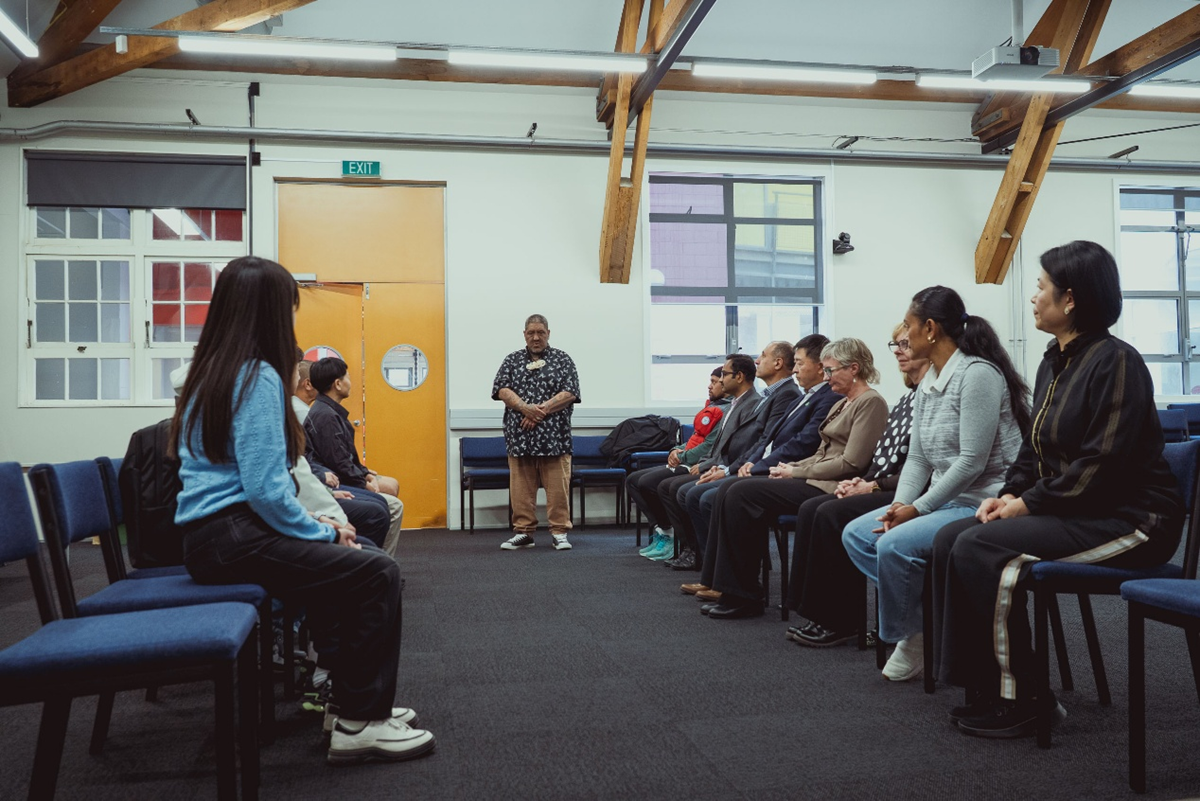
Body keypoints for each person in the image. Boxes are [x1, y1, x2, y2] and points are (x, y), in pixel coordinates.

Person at [173, 255, 433, 765]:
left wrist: (317, 525)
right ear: (268, 313)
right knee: (375, 571)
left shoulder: (211, 371)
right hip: (233, 536)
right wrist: (323, 531)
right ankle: (360, 722)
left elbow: (258, 488)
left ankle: (350, 703)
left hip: (213, 537)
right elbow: (267, 491)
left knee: (351, 565)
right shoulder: (256, 377)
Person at [932, 241, 1183, 739]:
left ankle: (1026, 699)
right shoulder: (1054, 360)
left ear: (1070, 299)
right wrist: (1009, 493)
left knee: (982, 547)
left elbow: (1102, 464)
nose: (1033, 297)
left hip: (1134, 522)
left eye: (1041, 286)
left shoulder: (1118, 361)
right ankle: (985, 686)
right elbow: (1034, 449)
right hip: (1080, 512)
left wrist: (1029, 504)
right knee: (951, 539)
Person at [840, 286, 1028, 682]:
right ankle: (929, 617)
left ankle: (913, 636)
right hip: (946, 499)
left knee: (892, 546)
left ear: (930, 328)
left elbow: (972, 462)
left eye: (908, 327)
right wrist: (900, 505)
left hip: (983, 500)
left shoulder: (977, 374)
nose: (904, 338)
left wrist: (918, 508)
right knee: (857, 535)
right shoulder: (929, 381)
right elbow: (919, 458)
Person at [691, 338, 890, 619]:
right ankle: (731, 589)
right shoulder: (843, 403)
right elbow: (819, 453)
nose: (827, 376)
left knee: (739, 493)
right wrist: (789, 467)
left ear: (854, 369)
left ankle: (744, 595)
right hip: (812, 478)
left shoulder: (870, 402)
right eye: (826, 370)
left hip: (829, 485)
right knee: (733, 490)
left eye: (831, 370)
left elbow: (851, 463)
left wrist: (794, 471)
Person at [786, 325, 930, 646]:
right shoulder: (907, 399)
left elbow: (918, 468)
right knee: (816, 510)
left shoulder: (882, 401)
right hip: (888, 483)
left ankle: (840, 619)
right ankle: (816, 610)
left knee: (829, 514)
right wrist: (862, 482)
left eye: (906, 344)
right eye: (896, 344)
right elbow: (886, 459)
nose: (898, 351)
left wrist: (871, 485)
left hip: (909, 491)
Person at [673, 334, 840, 570]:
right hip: (759, 465)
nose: (757, 361)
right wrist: (737, 466)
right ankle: (713, 571)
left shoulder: (796, 395)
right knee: (692, 491)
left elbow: (799, 443)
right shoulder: (796, 397)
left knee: (715, 495)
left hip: (789, 471)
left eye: (800, 363)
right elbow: (765, 441)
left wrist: (746, 467)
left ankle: (728, 575)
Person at [652, 353, 760, 562]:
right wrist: (696, 459)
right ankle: (696, 551)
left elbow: (738, 448)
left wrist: (708, 465)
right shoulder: (733, 404)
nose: (720, 381)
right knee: (673, 488)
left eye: (724, 375)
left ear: (739, 377)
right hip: (714, 464)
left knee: (680, 490)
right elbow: (714, 443)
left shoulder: (751, 404)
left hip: (727, 467)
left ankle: (702, 554)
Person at [492, 314, 580, 551]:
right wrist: (524, 408)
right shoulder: (512, 360)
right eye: (531, 333)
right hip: (520, 438)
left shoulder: (562, 359)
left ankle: (560, 532)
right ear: (524, 335)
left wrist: (538, 411)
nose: (536, 337)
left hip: (555, 438)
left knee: (558, 489)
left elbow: (570, 392)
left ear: (548, 333)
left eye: (540, 332)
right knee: (520, 490)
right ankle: (523, 532)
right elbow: (501, 390)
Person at [303, 356, 404, 554]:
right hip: (336, 481)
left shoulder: (329, 411)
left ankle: (379, 558)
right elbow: (339, 463)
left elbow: (345, 456)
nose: (350, 382)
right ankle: (379, 560)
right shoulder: (325, 416)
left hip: (341, 477)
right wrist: (364, 483)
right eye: (347, 377)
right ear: (338, 384)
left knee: (388, 491)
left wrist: (365, 473)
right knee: (391, 505)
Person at [628, 368, 729, 560]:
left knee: (650, 483)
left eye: (715, 381)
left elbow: (709, 446)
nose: (709, 386)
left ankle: (678, 540)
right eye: (710, 381)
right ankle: (663, 531)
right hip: (688, 458)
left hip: (699, 463)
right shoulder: (712, 406)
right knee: (633, 480)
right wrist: (675, 450)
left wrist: (682, 457)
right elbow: (696, 438)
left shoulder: (724, 411)